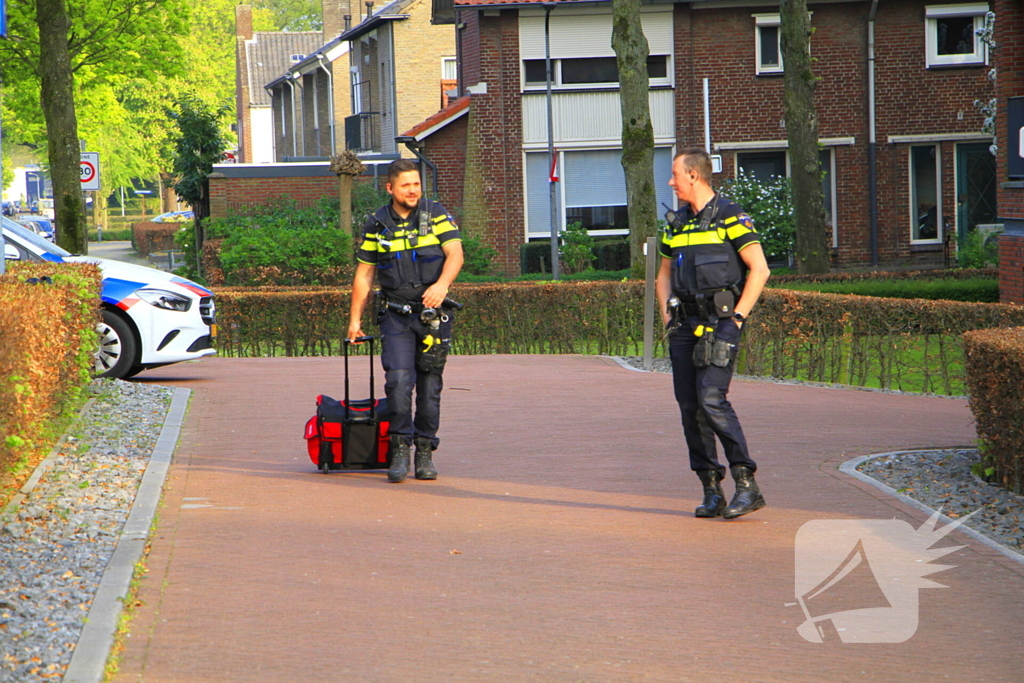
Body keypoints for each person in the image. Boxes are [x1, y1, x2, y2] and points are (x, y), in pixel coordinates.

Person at [656, 148, 771, 519]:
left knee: (711, 398)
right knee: (690, 407)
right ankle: (711, 489)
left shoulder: (730, 217)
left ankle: (746, 484)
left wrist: (737, 318)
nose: (671, 182)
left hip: (722, 322)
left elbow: (760, 269)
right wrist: (666, 316)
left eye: (675, 175)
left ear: (694, 176)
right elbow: (663, 274)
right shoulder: (675, 223)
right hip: (684, 326)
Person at [347, 159, 464, 483]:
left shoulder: (436, 213)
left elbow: (455, 253)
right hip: (395, 316)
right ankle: (400, 450)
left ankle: (425, 451)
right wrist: (354, 319)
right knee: (398, 383)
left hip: (432, 318)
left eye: (416, 184)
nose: (413, 191)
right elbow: (365, 273)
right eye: (406, 185)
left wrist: (441, 286)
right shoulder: (377, 223)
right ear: (390, 188)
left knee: (429, 388)